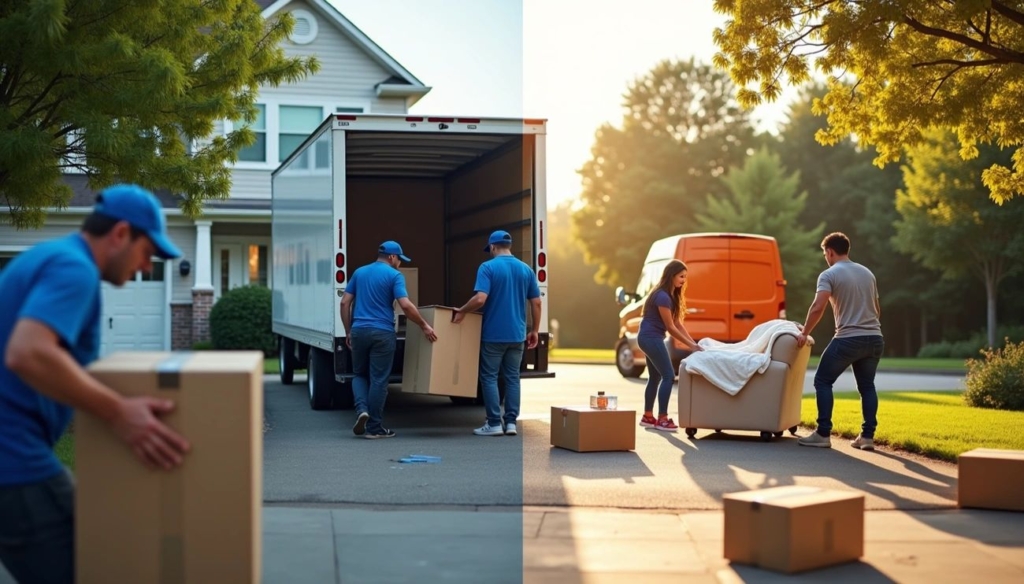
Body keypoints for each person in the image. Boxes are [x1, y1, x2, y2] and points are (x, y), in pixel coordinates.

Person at [0, 184, 191, 584]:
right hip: (14, 460)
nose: (145, 267)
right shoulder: (75, 269)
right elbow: (28, 352)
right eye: (147, 253)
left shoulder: (53, 257)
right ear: (121, 234)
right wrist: (118, 412)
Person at [796, 232, 884, 450]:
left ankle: (823, 434)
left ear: (830, 252)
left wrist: (804, 332)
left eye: (825, 254)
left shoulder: (829, 274)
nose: (826, 257)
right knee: (867, 386)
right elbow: (877, 309)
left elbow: (818, 307)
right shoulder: (867, 273)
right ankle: (867, 437)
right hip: (875, 338)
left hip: (848, 338)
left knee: (822, 381)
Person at [341, 241, 437, 439]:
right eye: (400, 259)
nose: (400, 263)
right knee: (378, 380)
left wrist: (348, 331)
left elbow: (345, 302)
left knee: (359, 374)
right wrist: (424, 325)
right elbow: (406, 305)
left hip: (359, 330)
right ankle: (374, 428)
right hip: (383, 333)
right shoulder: (395, 276)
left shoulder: (359, 272)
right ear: (392, 257)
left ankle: (362, 411)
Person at [454, 230, 541, 437]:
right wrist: (535, 330)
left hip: (493, 335)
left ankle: (493, 423)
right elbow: (536, 302)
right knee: (512, 378)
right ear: (509, 246)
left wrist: (462, 311)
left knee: (489, 377)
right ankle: (510, 423)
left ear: (492, 247)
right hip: (517, 335)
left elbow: (480, 299)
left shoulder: (488, 267)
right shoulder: (526, 270)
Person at [636, 259, 703, 433]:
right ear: (671, 276)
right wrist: (690, 346)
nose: (684, 280)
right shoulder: (662, 296)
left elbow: (678, 324)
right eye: (681, 276)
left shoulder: (669, 296)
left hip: (648, 338)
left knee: (655, 377)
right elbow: (670, 328)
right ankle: (663, 419)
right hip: (651, 338)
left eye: (685, 277)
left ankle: (648, 417)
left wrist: (693, 344)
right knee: (668, 376)